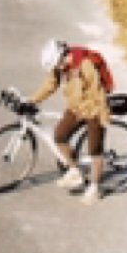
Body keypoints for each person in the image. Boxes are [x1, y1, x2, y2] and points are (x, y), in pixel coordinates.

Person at [29, 37, 113, 203]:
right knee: (60, 135)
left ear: (62, 56)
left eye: (58, 66)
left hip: (94, 108)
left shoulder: (85, 64)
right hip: (76, 107)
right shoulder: (59, 65)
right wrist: (32, 101)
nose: (58, 70)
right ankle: (75, 171)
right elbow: (50, 85)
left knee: (95, 150)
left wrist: (103, 116)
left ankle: (95, 188)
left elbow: (98, 91)